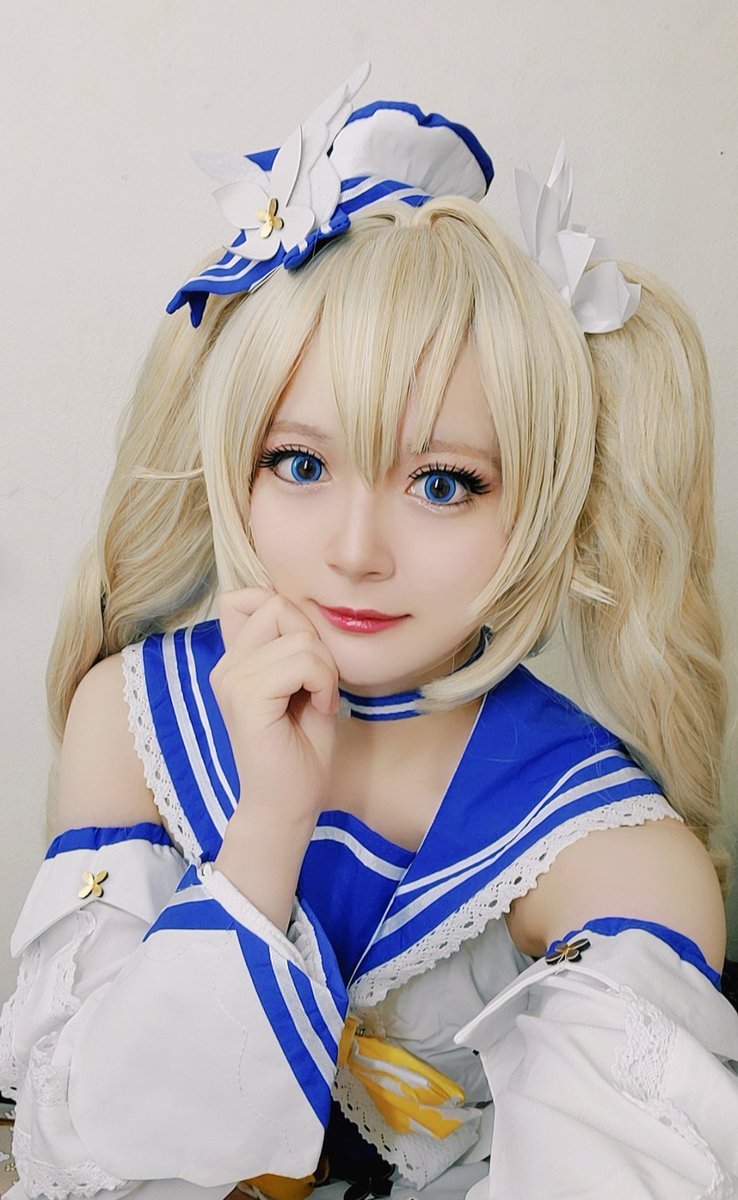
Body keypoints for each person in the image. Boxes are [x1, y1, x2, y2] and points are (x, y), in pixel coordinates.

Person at [1, 62, 737, 1200]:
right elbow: (84, 1160)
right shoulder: (136, 719)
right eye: (301, 464)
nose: (356, 551)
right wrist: (265, 833)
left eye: (442, 484)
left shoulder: (611, 849)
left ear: (541, 503)